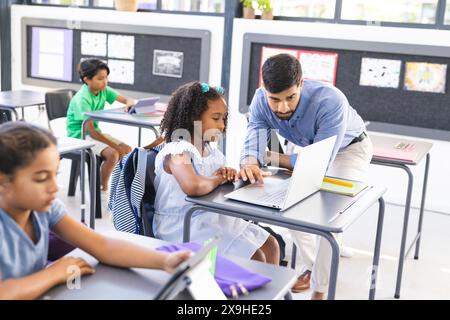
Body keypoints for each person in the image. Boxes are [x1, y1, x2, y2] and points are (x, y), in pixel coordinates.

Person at [0, 122, 191, 300]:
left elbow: (102, 245)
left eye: (55, 174)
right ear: (3, 181)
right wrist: (52, 274)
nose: (54, 187)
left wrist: (165, 261)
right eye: (41, 178)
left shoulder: (45, 208)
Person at [239, 54, 373, 299]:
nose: (283, 108)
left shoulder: (331, 101)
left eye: (290, 97)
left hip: (349, 151)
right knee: (292, 209)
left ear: (301, 83)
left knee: (328, 220)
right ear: (265, 90)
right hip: (309, 151)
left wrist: (276, 159)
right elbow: (254, 140)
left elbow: (319, 163)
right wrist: (249, 162)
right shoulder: (260, 100)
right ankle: (316, 268)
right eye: (275, 100)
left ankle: (320, 290)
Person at [153, 81, 280, 264]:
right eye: (216, 118)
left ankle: (270, 292)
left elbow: (217, 182)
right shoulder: (177, 150)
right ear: (193, 118)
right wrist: (219, 177)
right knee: (255, 256)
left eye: (224, 118)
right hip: (182, 225)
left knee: (271, 245)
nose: (222, 125)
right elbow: (192, 185)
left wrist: (229, 174)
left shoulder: (212, 152)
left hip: (210, 216)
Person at [66, 58, 134, 191]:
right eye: (100, 78)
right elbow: (90, 131)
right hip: (80, 135)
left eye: (106, 77)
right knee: (113, 154)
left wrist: (129, 103)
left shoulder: (104, 90)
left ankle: (117, 186)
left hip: (94, 132)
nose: (105, 82)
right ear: (87, 79)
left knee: (127, 149)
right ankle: (102, 188)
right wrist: (114, 146)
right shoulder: (82, 99)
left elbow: (127, 99)